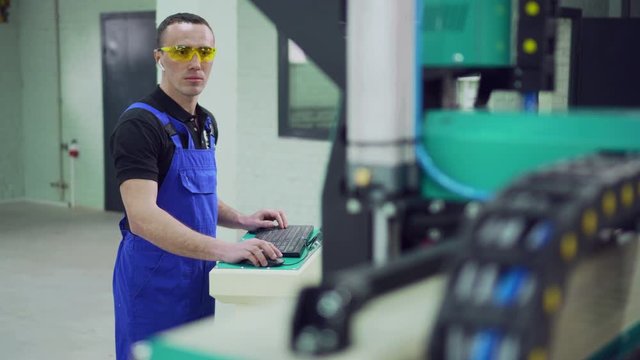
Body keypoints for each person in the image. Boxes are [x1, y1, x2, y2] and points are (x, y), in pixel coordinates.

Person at [110, 12, 286, 360]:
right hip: (155, 281)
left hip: (198, 274)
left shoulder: (205, 122)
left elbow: (195, 195)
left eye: (205, 53)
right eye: (181, 51)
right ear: (159, 57)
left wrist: (244, 221)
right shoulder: (140, 125)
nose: (195, 63)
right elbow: (142, 217)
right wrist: (225, 249)